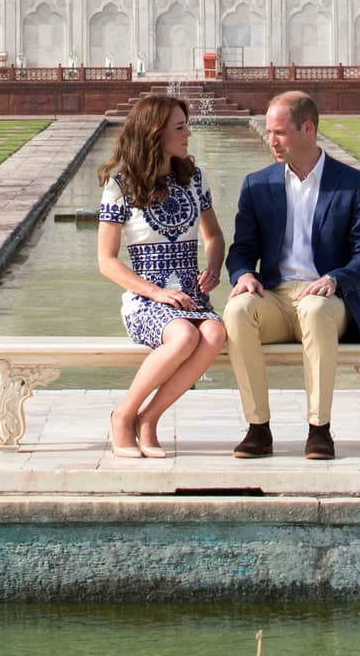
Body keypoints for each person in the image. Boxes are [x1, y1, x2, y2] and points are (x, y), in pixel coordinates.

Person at [223, 90, 360, 462]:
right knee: (236, 311)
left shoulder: (352, 185)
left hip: (328, 302)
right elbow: (241, 250)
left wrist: (336, 278)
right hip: (276, 298)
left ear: (307, 129)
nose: (271, 140)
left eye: (279, 132)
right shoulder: (258, 184)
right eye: (269, 131)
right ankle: (258, 428)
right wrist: (243, 274)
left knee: (313, 309)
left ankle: (319, 429)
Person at [96, 94, 226, 458]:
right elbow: (107, 261)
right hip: (145, 300)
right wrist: (155, 294)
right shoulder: (121, 187)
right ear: (155, 133)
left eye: (187, 126)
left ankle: (149, 418)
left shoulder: (194, 180)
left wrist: (214, 266)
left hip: (190, 296)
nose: (188, 134)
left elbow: (213, 235)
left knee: (214, 332)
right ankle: (123, 416)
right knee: (184, 335)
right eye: (180, 127)